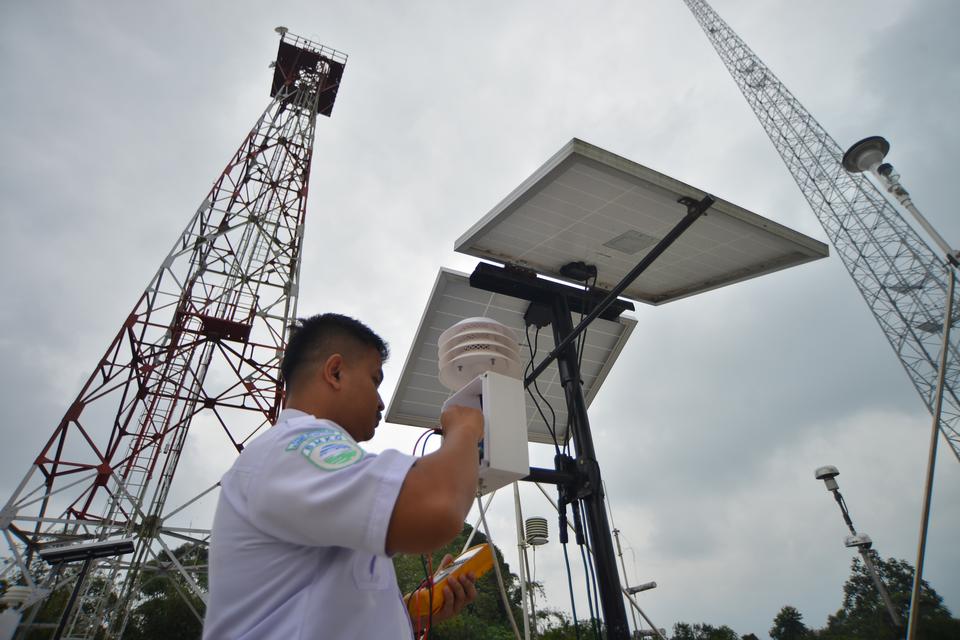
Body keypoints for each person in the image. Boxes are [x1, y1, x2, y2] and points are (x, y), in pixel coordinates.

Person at [203, 313, 485, 639]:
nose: (380, 401)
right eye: (374, 380)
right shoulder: (294, 446)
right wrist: (465, 429)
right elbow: (438, 506)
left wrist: (412, 611)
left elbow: (320, 608)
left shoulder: (311, 466)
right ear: (335, 372)